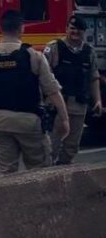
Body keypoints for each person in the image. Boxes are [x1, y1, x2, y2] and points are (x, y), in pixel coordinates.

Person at [0, 10, 69, 174]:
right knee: (39, 172)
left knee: (7, 173)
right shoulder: (33, 56)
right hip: (29, 121)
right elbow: (52, 90)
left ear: (0, 29)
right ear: (21, 29)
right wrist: (65, 119)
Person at [44, 15, 103, 164]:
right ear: (66, 29)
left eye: (79, 30)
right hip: (56, 105)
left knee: (71, 147)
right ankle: (48, 176)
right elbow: (43, 75)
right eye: (72, 28)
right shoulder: (54, 48)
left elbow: (93, 77)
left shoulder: (89, 52)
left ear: (84, 32)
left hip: (79, 104)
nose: (75, 32)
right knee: (52, 145)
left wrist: (98, 101)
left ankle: (62, 173)